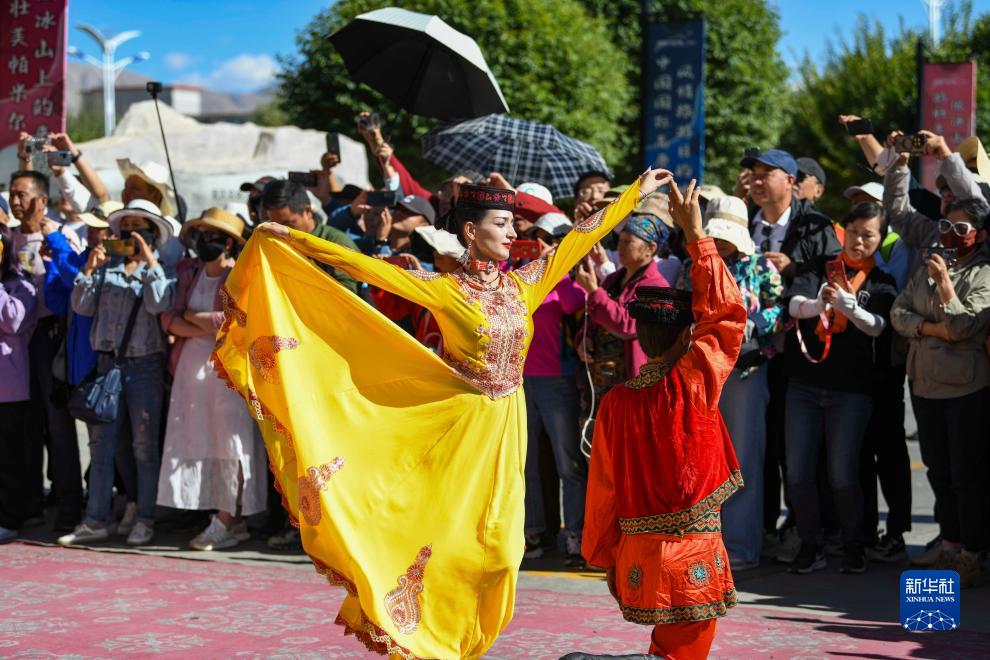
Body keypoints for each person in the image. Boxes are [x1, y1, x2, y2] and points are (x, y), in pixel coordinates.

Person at [214, 170, 669, 658]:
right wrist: (295, 240)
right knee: (447, 539)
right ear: (471, 230)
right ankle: (434, 641)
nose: (512, 233)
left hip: (506, 427)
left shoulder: (524, 285)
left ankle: (462, 640)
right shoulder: (445, 289)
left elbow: (579, 239)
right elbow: (365, 267)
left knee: (503, 553)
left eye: (512, 223)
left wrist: (633, 196)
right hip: (459, 427)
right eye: (501, 223)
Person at [582, 179, 746, 660]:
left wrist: (607, 553)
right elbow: (727, 316)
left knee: (667, 648)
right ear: (685, 338)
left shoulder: (617, 401)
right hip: (691, 548)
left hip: (639, 549)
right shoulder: (692, 383)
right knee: (683, 650)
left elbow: (604, 485)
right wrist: (697, 237)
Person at [783, 202, 897, 574]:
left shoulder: (882, 280)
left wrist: (851, 308)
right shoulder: (821, 268)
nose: (859, 241)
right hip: (804, 385)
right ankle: (811, 543)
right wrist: (817, 303)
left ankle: (854, 543)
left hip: (851, 390)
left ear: (880, 239)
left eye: (869, 235)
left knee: (842, 474)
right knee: (798, 472)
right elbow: (793, 305)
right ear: (843, 232)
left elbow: (879, 326)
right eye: (855, 232)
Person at [59, 200, 176, 547]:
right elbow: (81, 306)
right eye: (127, 228)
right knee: (103, 447)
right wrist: (90, 268)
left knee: (144, 447)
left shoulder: (163, 269)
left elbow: (159, 303)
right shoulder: (107, 267)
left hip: (145, 366)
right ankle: (96, 519)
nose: (131, 234)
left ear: (152, 234)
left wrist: (148, 261)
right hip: (107, 365)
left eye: (139, 229)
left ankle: (145, 519)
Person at [889, 196, 990, 587]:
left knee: (967, 475)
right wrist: (933, 329)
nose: (949, 234)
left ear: (980, 235)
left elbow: (964, 327)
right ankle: (950, 543)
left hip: (965, 388)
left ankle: (973, 553)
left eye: (960, 229)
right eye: (945, 226)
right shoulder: (929, 265)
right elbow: (899, 313)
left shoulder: (983, 274)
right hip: (925, 384)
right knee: (938, 470)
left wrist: (946, 286)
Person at [157, 208, 265, 550]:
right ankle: (222, 515)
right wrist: (200, 322)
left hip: (226, 370)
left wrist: (193, 318)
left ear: (229, 243)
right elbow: (169, 319)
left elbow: (233, 321)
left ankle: (227, 518)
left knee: (231, 441)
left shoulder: (238, 277)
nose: (205, 241)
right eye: (201, 234)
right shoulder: (188, 273)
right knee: (198, 437)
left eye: (213, 236)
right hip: (191, 368)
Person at [685, 195, 784, 571]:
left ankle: (741, 545)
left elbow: (780, 307)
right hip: (701, 373)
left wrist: (754, 327)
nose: (721, 243)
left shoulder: (760, 267)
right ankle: (704, 543)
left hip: (746, 373)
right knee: (702, 460)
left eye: (726, 237)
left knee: (743, 460)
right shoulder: (695, 265)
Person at [8, 170, 82, 527]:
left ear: (41, 200)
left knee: (58, 425)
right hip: (18, 342)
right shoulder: (8, 239)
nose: (15, 201)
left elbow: (75, 282)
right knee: (27, 424)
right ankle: (30, 501)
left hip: (52, 337)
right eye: (12, 194)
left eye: (22, 195)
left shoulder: (60, 236)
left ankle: (69, 505)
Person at [518, 213, 588, 565]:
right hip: (520, 379)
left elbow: (578, 303)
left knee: (568, 463)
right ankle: (534, 532)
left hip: (557, 380)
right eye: (535, 237)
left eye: (547, 239)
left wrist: (557, 264)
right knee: (526, 463)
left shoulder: (564, 280)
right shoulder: (516, 275)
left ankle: (575, 534)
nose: (540, 245)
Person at [574, 205, 670, 396]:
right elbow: (592, 320)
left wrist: (594, 291)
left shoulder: (658, 287)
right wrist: (584, 340)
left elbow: (628, 326)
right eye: (620, 240)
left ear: (650, 249)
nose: (620, 247)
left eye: (628, 242)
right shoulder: (613, 279)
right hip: (598, 381)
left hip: (629, 384)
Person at [0, 226, 39, 543]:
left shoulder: (22, 286)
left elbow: (14, 321)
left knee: (9, 456)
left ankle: (11, 517)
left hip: (9, 387)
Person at [259, 179, 360, 295]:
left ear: (307, 211)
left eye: (288, 224)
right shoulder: (273, 244)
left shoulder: (336, 243)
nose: (279, 230)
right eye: (274, 224)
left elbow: (347, 294)